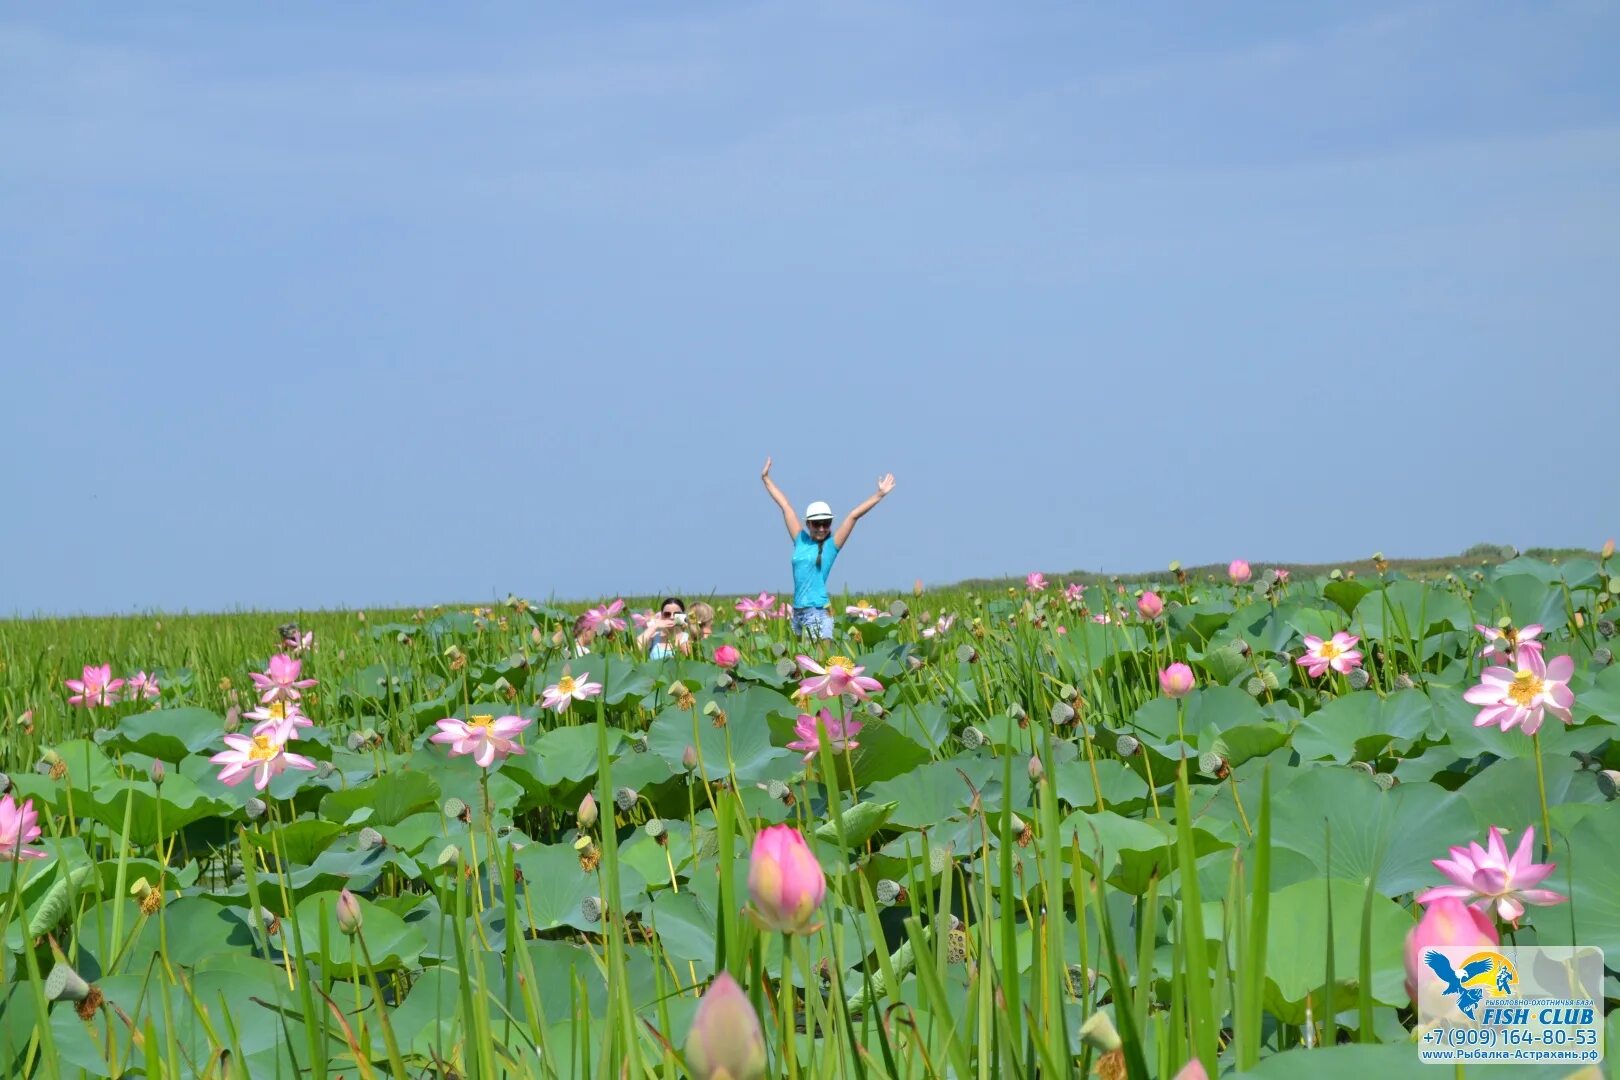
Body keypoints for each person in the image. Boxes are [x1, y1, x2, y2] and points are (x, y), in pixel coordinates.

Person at [760, 457, 895, 642]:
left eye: (826, 523)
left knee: (821, 664)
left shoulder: (831, 546)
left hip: (819, 612)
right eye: (817, 523)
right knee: (804, 665)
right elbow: (786, 506)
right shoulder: (800, 540)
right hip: (798, 612)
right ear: (808, 523)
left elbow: (853, 516)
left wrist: (879, 495)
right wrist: (766, 479)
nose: (822, 528)